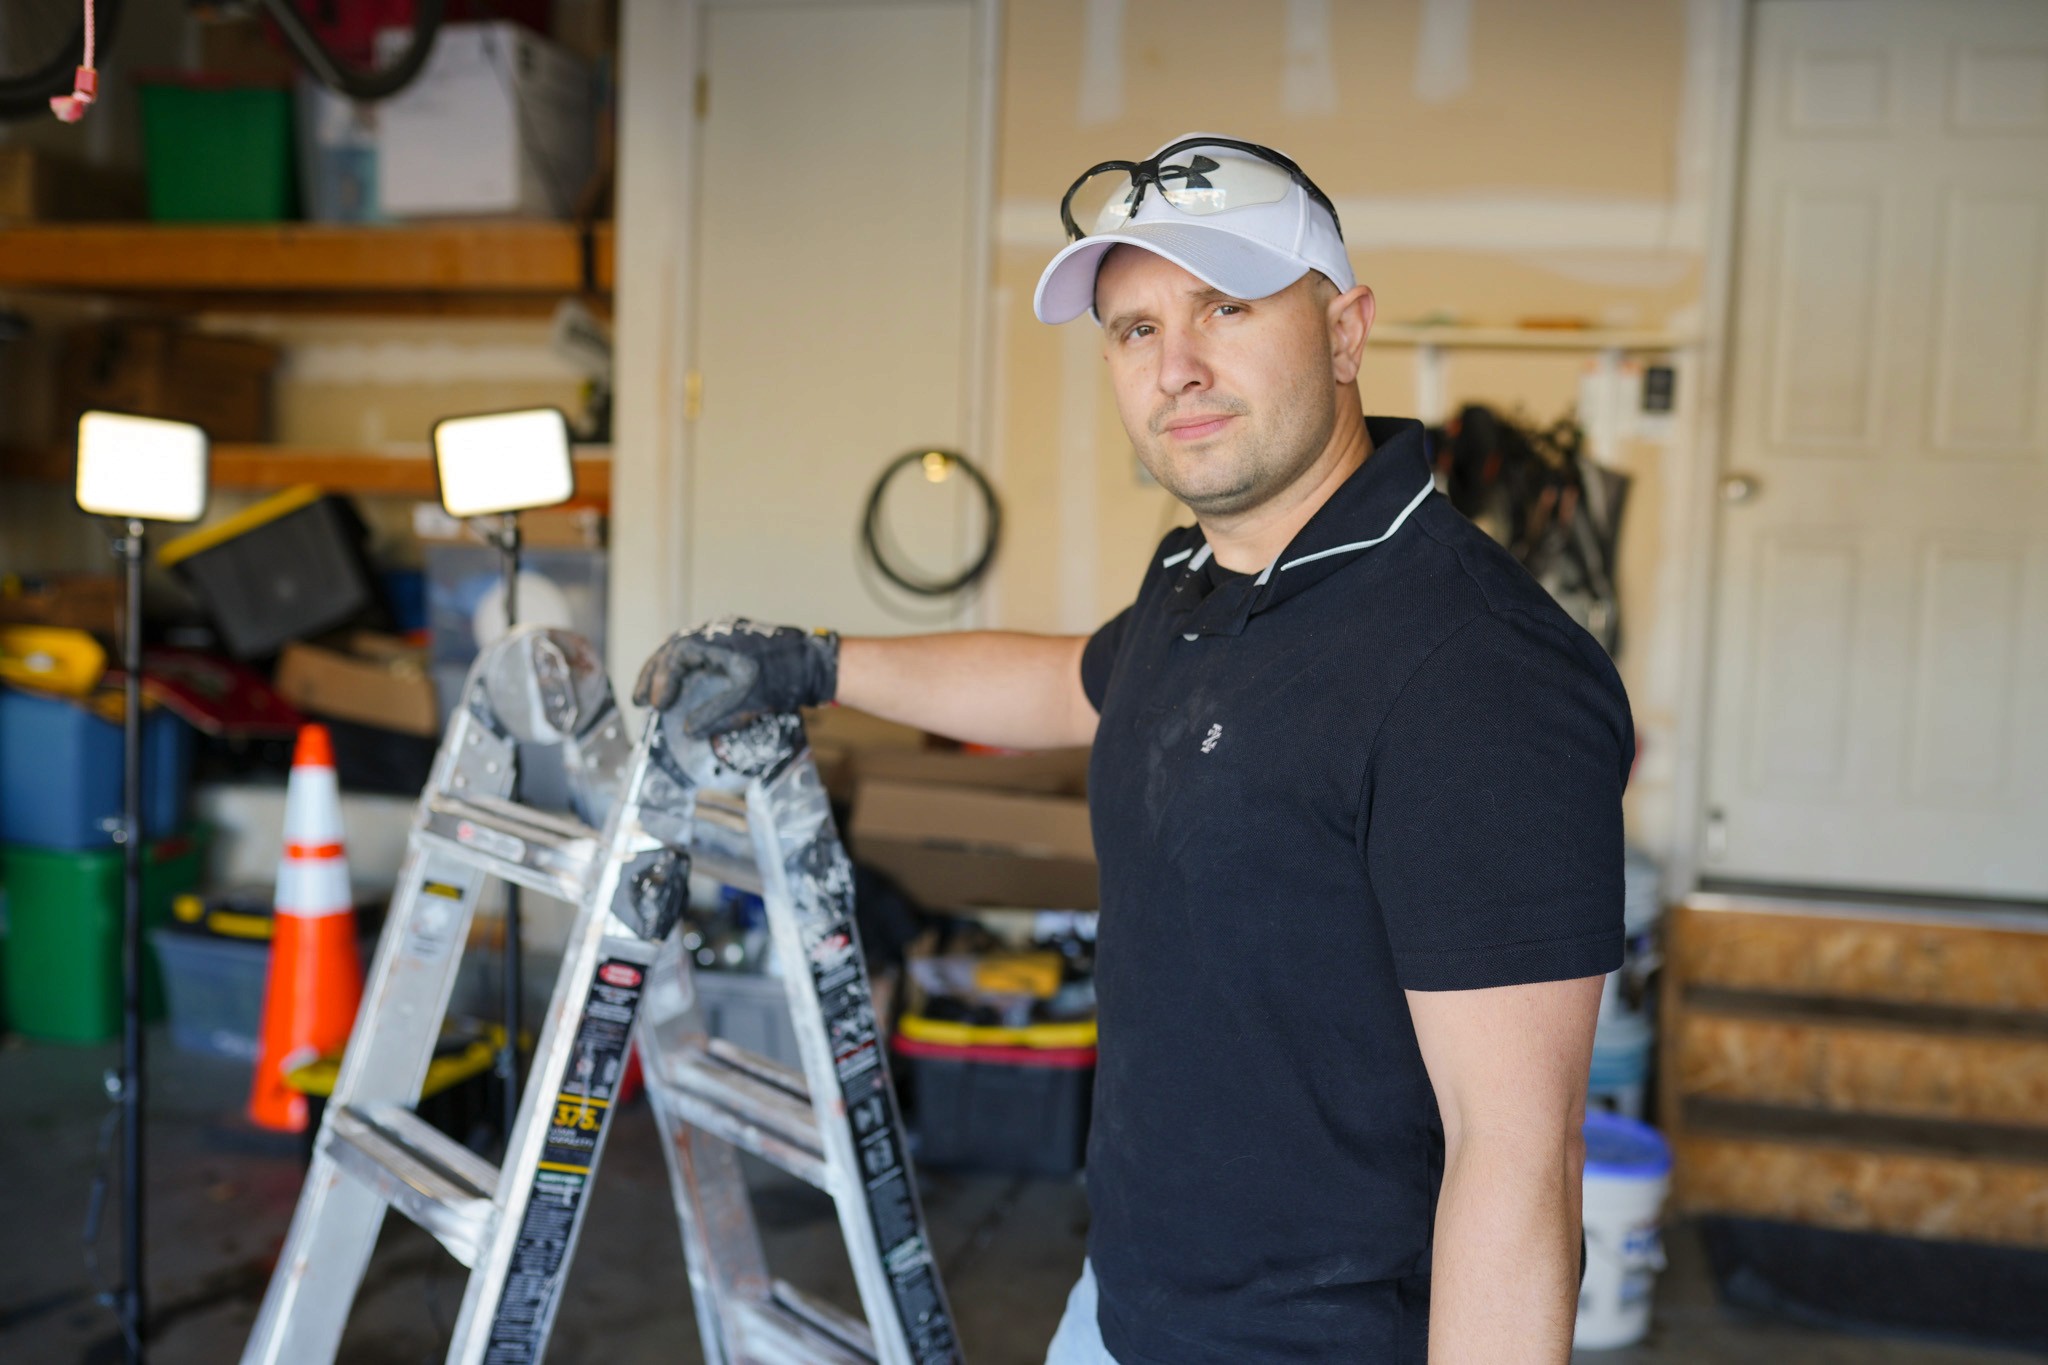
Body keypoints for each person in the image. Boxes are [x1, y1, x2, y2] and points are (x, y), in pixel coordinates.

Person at [635, 134, 1633, 1365]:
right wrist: (818, 665)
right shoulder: (1203, 575)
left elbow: (1517, 1157)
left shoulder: (1476, 677)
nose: (1179, 368)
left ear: (1343, 330)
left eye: (1225, 306)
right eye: (1134, 329)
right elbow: (1076, 683)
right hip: (1125, 1307)